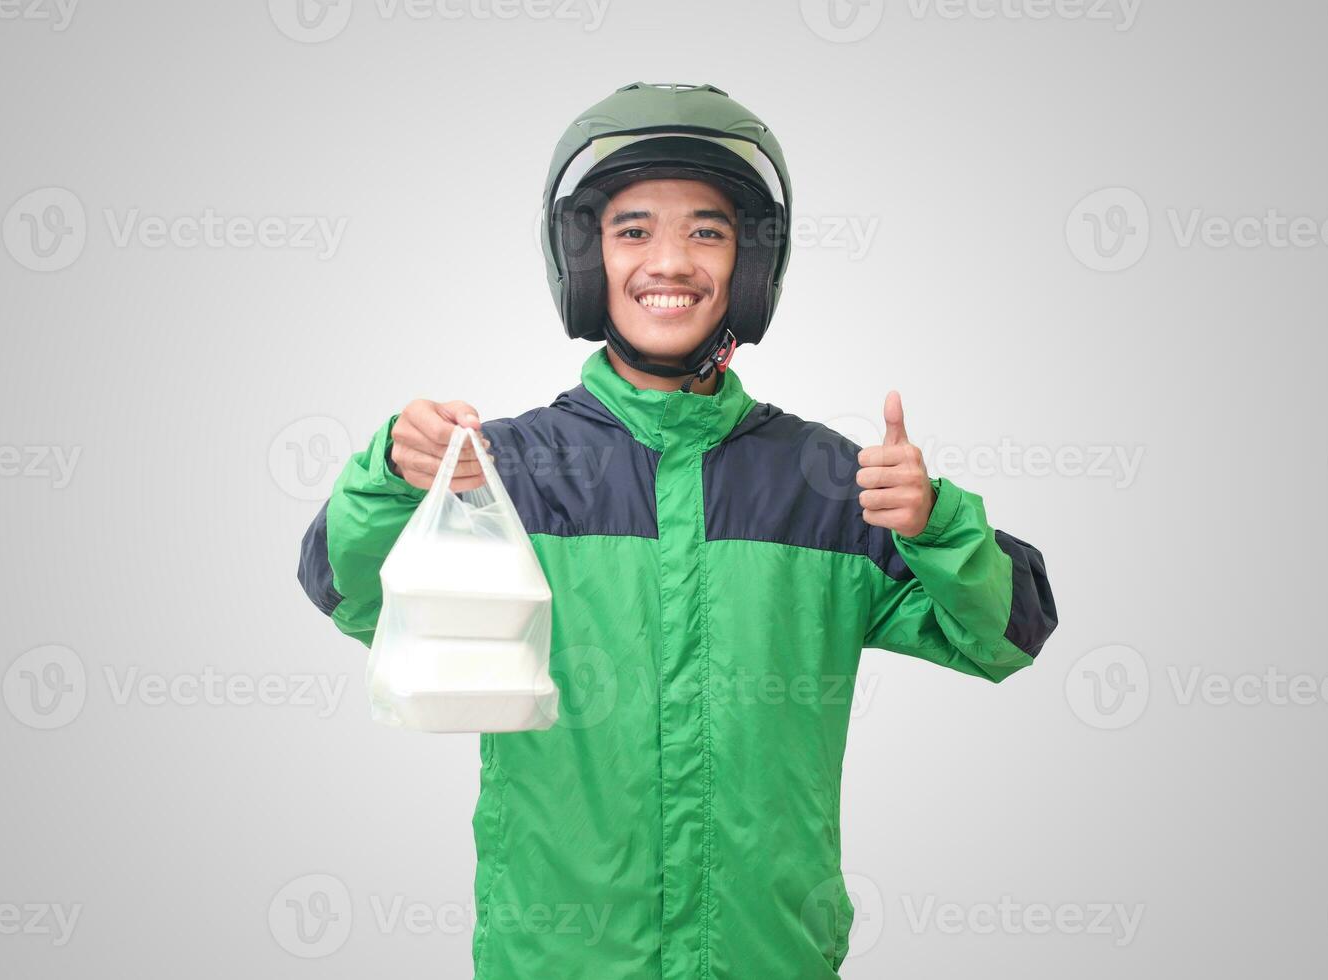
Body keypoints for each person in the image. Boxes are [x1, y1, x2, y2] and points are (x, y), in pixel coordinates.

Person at [298, 81, 1058, 980]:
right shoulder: (504, 474)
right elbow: (348, 592)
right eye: (632, 231)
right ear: (584, 259)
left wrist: (937, 524)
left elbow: (1006, 636)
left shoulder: (826, 486)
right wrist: (391, 476)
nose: (671, 261)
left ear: (750, 266)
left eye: (707, 231)